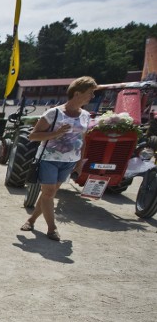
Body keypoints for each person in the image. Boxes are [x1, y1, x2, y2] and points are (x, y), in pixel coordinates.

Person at [20, 76, 99, 241]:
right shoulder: (54, 113)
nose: (92, 97)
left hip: (69, 161)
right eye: (90, 93)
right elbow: (33, 136)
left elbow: (82, 140)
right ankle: (52, 228)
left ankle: (32, 219)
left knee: (49, 193)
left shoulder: (85, 115)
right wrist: (56, 133)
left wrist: (79, 162)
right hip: (49, 158)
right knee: (49, 193)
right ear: (77, 93)